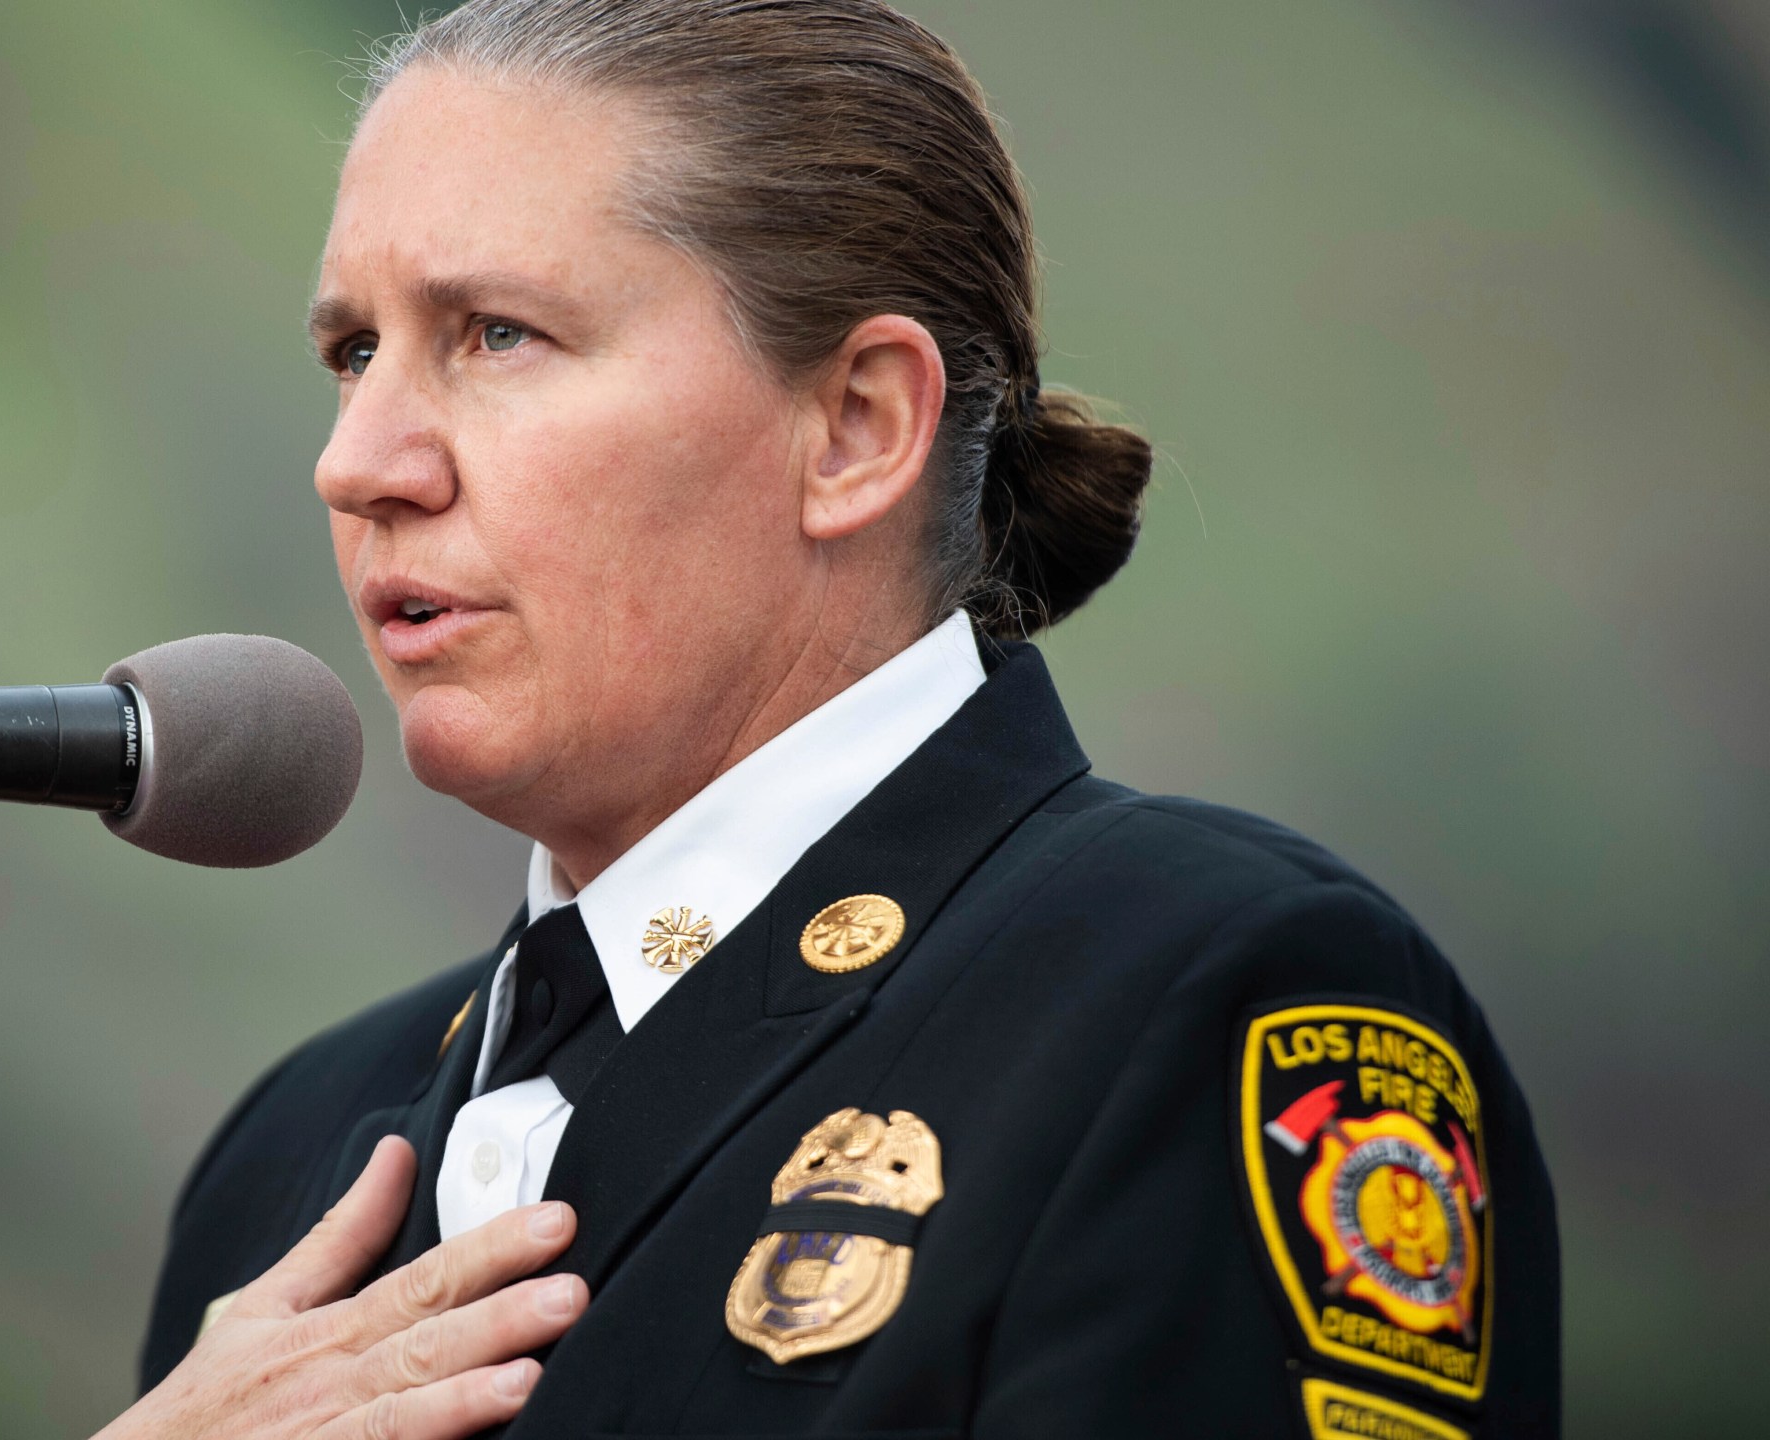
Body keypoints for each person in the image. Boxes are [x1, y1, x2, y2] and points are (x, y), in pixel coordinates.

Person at [106, 2, 1559, 1436]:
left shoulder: (1208, 999)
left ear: (857, 426)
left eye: (498, 333)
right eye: (353, 352)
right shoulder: (286, 1159)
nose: (359, 464)